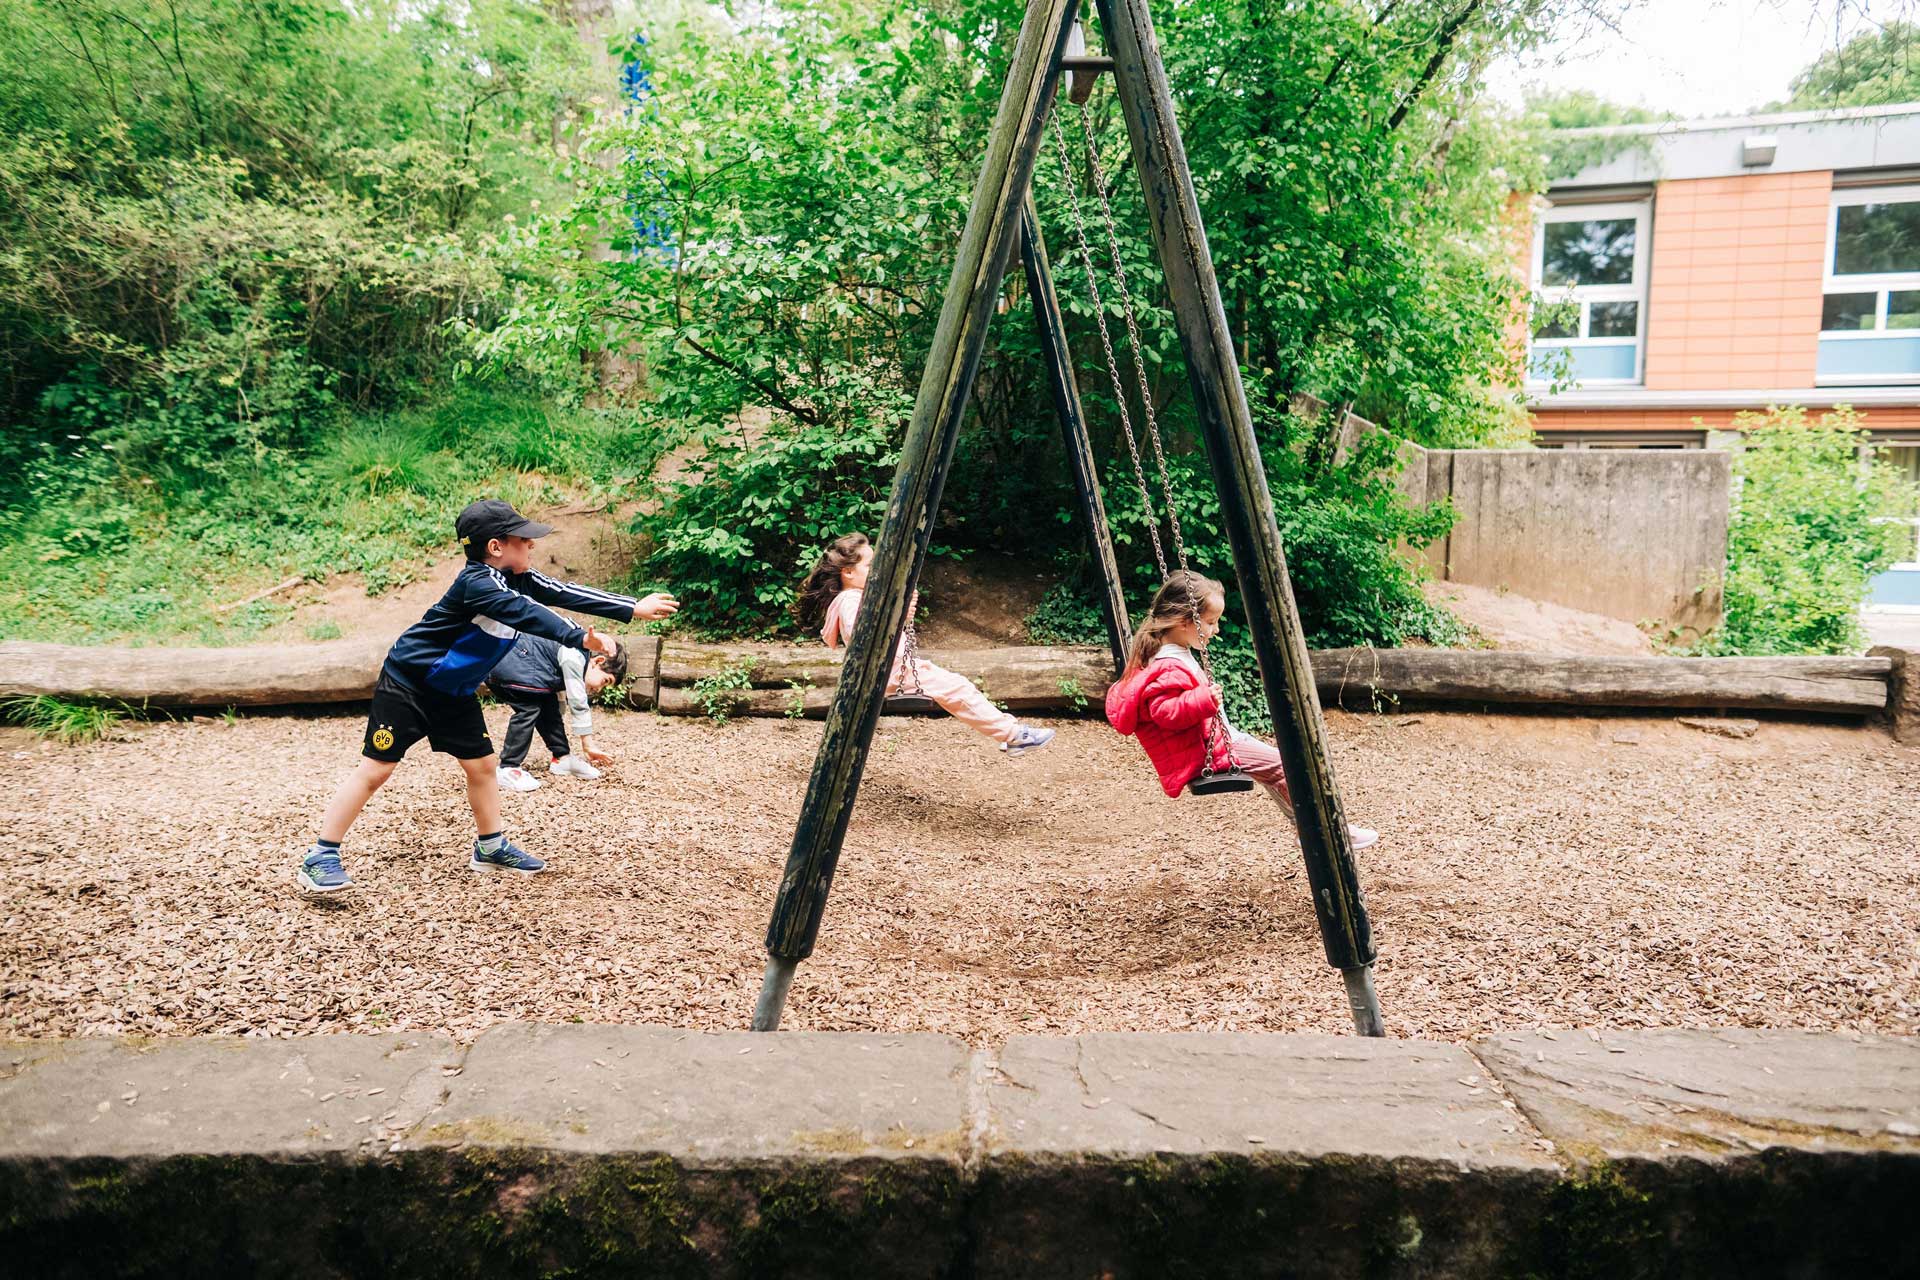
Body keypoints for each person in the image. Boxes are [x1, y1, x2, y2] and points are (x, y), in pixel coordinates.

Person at [296, 499, 679, 896]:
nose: (531, 545)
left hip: (453, 690)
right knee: (377, 769)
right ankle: (320, 856)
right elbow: (527, 613)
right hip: (410, 684)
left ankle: (491, 847)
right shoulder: (478, 584)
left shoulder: (515, 577)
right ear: (496, 547)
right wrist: (579, 637)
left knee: (481, 767)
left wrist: (631, 607)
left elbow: (562, 591)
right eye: (523, 539)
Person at [1104, 569, 1378, 849]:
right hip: (1210, 752)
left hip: (1221, 740)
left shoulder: (1173, 652)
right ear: (1185, 622)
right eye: (1211, 622)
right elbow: (1164, 712)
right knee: (1288, 765)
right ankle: (1325, 831)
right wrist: (1202, 699)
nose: (1216, 630)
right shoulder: (1167, 664)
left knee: (1282, 767)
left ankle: (1311, 829)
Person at [795, 533, 1054, 755]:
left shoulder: (858, 596)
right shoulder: (850, 600)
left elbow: (880, 626)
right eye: (871, 565)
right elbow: (864, 634)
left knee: (959, 687)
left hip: (892, 667)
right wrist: (899, 614)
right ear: (849, 572)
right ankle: (1013, 735)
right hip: (888, 671)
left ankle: (1009, 733)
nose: (878, 570)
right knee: (959, 691)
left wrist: (901, 612)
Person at [490, 633, 629, 790]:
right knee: (529, 708)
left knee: (548, 704)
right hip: (508, 664)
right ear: (598, 661)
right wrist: (588, 744)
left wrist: (555, 718)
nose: (599, 689)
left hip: (526, 668)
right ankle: (508, 767)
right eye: (605, 681)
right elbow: (577, 701)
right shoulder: (575, 656)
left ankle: (562, 758)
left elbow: (557, 700)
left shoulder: (577, 654)